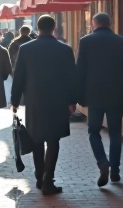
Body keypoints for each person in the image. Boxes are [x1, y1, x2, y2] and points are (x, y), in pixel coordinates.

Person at [11, 15, 77, 195]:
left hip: (34, 100)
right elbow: (72, 77)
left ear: (37, 28)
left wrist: (15, 100)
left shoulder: (25, 49)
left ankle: (40, 176)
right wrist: (72, 100)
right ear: (54, 27)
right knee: (53, 140)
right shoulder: (64, 49)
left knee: (36, 138)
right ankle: (48, 179)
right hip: (58, 100)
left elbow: (19, 77)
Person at [76, 14, 123, 187]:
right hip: (115, 94)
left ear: (93, 23)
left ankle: (103, 162)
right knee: (115, 133)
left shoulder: (86, 41)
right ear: (109, 23)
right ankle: (116, 171)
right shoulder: (121, 41)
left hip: (94, 95)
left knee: (93, 131)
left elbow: (80, 69)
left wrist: (78, 96)